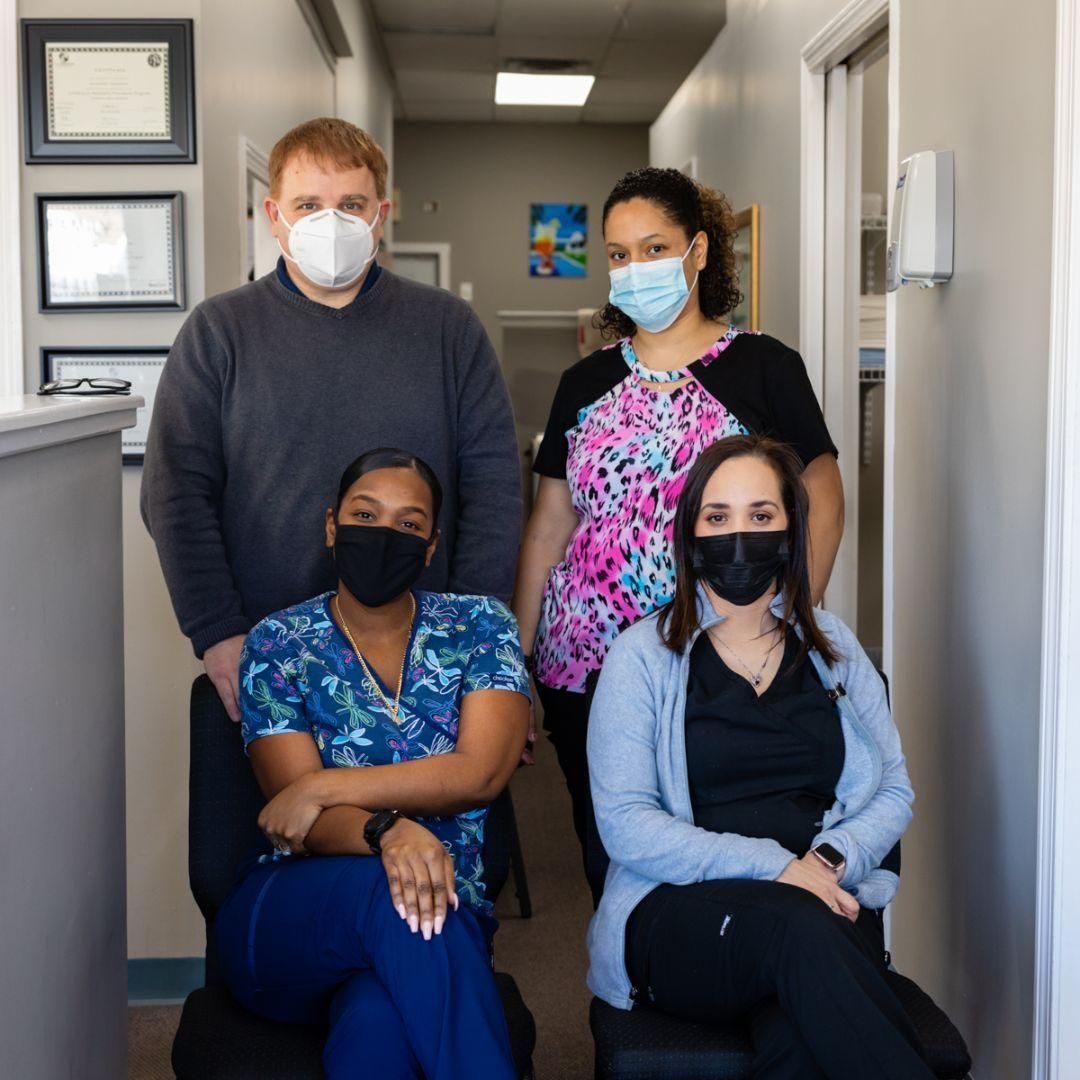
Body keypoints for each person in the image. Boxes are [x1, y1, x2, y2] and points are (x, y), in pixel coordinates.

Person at [512, 167, 843, 899]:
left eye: (653, 248)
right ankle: (628, 991)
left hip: (720, 655)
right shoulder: (584, 383)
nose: (634, 269)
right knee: (612, 849)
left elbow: (821, 493)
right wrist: (519, 664)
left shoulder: (764, 368)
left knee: (720, 845)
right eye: (619, 254)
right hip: (587, 665)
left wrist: (795, 618)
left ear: (697, 252)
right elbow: (548, 529)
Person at [141, 117, 521, 723]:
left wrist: (470, 633)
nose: (331, 220)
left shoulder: (448, 329)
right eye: (308, 204)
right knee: (277, 818)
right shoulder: (219, 332)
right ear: (274, 215)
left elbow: (494, 490)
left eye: (350, 203)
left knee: (429, 815)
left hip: (423, 659)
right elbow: (175, 493)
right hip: (265, 656)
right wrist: (216, 630)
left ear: (381, 212)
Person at [586, 434, 931, 1079]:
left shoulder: (835, 648)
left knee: (802, 1037)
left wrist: (825, 862)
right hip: (681, 910)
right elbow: (626, 824)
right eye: (717, 518)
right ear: (690, 535)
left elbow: (894, 790)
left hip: (826, 895)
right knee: (799, 933)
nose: (738, 535)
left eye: (760, 516)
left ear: (790, 529)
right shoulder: (641, 657)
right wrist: (777, 868)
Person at [216, 448, 530, 1079]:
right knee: (396, 901)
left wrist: (328, 785)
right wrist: (385, 831)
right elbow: (294, 820)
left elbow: (481, 773)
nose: (385, 534)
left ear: (432, 544)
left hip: (435, 924)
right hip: (294, 917)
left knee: (377, 1031)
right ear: (332, 525)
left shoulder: (480, 626)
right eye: (365, 514)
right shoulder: (279, 643)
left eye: (409, 523)